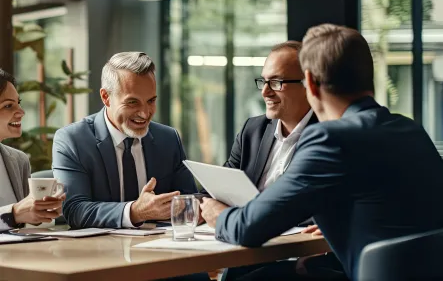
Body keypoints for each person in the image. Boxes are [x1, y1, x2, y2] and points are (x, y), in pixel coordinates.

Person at [200, 24, 443, 280]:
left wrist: (217, 213)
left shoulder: (330, 139)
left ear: (310, 83)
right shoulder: (411, 130)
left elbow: (247, 228)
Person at [53, 52, 198, 229]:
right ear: (106, 97)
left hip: (161, 248)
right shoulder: (72, 140)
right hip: (101, 252)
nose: (145, 113)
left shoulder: (168, 139)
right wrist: (135, 212)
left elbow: (190, 201)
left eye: (151, 101)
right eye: (132, 103)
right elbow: (75, 211)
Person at [224, 41, 316, 190]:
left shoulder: (328, 137)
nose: (265, 92)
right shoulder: (252, 130)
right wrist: (183, 202)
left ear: (307, 84)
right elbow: (220, 187)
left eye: (275, 82)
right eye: (264, 81)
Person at [0, 69, 65, 230]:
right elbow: (16, 215)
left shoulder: (18, 160)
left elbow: (23, 225)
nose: (21, 113)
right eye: (8, 105)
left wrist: (39, 215)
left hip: (18, 253)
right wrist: (14, 213)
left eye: (18, 103)